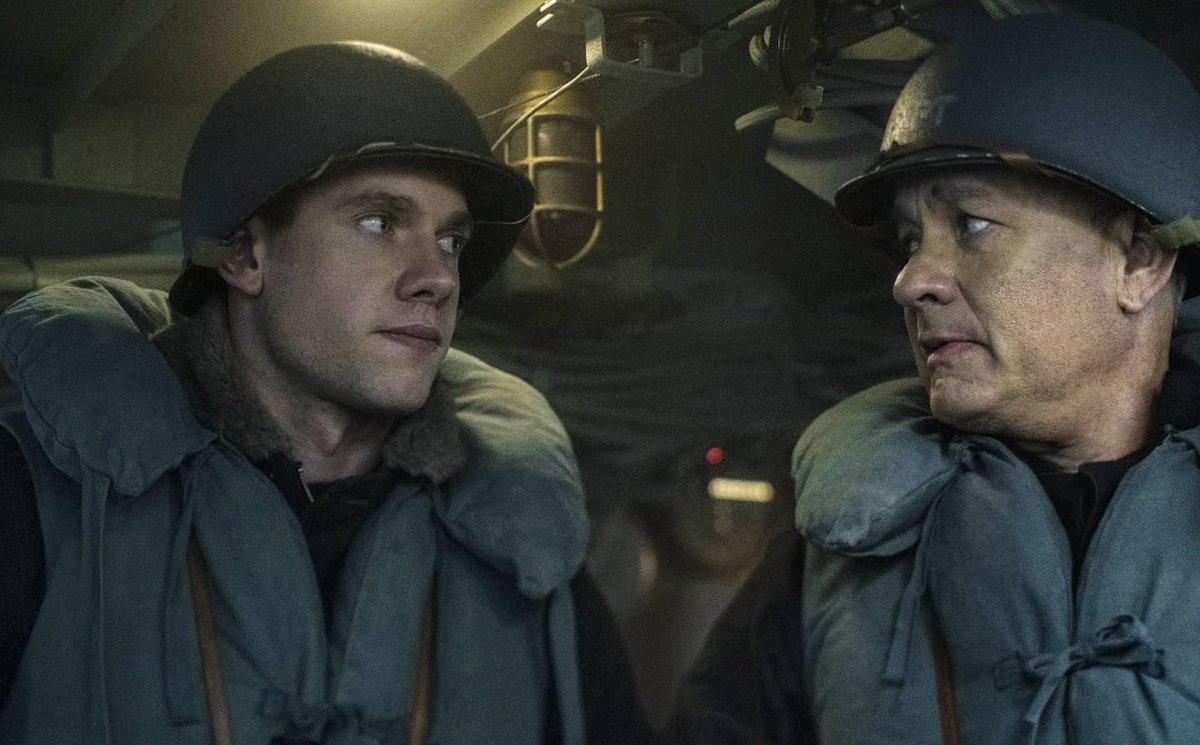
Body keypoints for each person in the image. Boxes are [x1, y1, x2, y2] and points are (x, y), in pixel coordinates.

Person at [0, 42, 651, 745]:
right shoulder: (34, 496)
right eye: (380, 223)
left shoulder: (522, 536)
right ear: (245, 254)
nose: (437, 278)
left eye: (452, 240)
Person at [673, 11, 1200, 744]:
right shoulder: (832, 558)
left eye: (972, 225)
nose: (911, 279)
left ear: (1139, 261)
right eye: (910, 239)